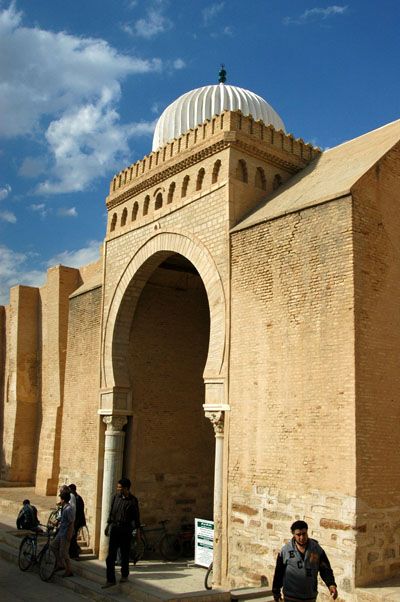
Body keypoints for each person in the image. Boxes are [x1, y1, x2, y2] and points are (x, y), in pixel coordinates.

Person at [272, 520, 338, 602]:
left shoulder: (317, 549)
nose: (302, 537)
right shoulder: (285, 551)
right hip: (291, 597)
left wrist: (331, 584)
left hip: (310, 596)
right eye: (298, 535)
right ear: (293, 534)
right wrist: (276, 592)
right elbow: (279, 573)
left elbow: (325, 569)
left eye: (304, 534)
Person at [102, 477, 140, 588]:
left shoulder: (133, 501)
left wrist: (138, 531)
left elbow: (136, 517)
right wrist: (108, 525)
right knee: (110, 557)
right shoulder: (115, 498)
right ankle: (110, 579)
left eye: (120, 488)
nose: (118, 489)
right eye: (118, 487)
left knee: (124, 554)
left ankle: (124, 575)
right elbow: (111, 512)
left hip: (126, 529)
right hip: (115, 528)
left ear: (126, 488)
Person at [51, 489, 75, 578]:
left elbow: (71, 522)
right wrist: (56, 522)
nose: (59, 500)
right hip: (61, 532)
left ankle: (69, 570)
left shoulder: (68, 509)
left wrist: (69, 535)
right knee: (53, 546)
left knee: (64, 553)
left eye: (60, 499)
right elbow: (63, 519)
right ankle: (60, 564)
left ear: (63, 500)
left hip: (65, 534)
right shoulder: (64, 508)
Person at [68, 484, 86, 560]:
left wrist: (74, 522)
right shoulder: (75, 498)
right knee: (72, 538)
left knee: (73, 537)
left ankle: (76, 553)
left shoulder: (77, 499)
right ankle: (73, 553)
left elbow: (78, 512)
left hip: (77, 521)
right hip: (76, 521)